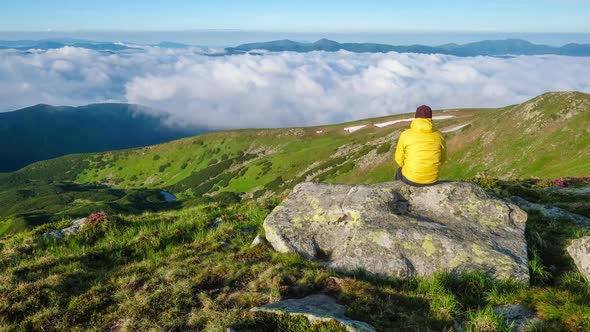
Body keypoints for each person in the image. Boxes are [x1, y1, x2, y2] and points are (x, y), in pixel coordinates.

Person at [394, 105, 447, 186]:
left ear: (416, 117)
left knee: (398, 171)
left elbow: (399, 159)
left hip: (411, 179)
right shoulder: (439, 135)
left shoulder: (405, 134)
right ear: (430, 118)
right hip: (433, 180)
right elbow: (443, 158)